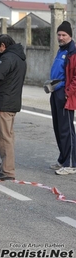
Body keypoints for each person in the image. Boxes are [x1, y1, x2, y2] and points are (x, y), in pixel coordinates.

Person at [0, 34, 27, 181]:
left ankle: (7, 170)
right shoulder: (18, 57)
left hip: (4, 102)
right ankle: (5, 165)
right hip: (11, 101)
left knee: (3, 138)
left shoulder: (8, 58)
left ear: (3, 46)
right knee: (7, 136)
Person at [48, 21, 76, 175]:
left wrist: (67, 92)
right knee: (58, 128)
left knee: (67, 130)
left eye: (64, 35)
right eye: (59, 34)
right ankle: (62, 159)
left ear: (70, 35)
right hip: (55, 92)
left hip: (65, 94)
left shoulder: (73, 51)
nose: (61, 37)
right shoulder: (61, 50)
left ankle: (71, 163)